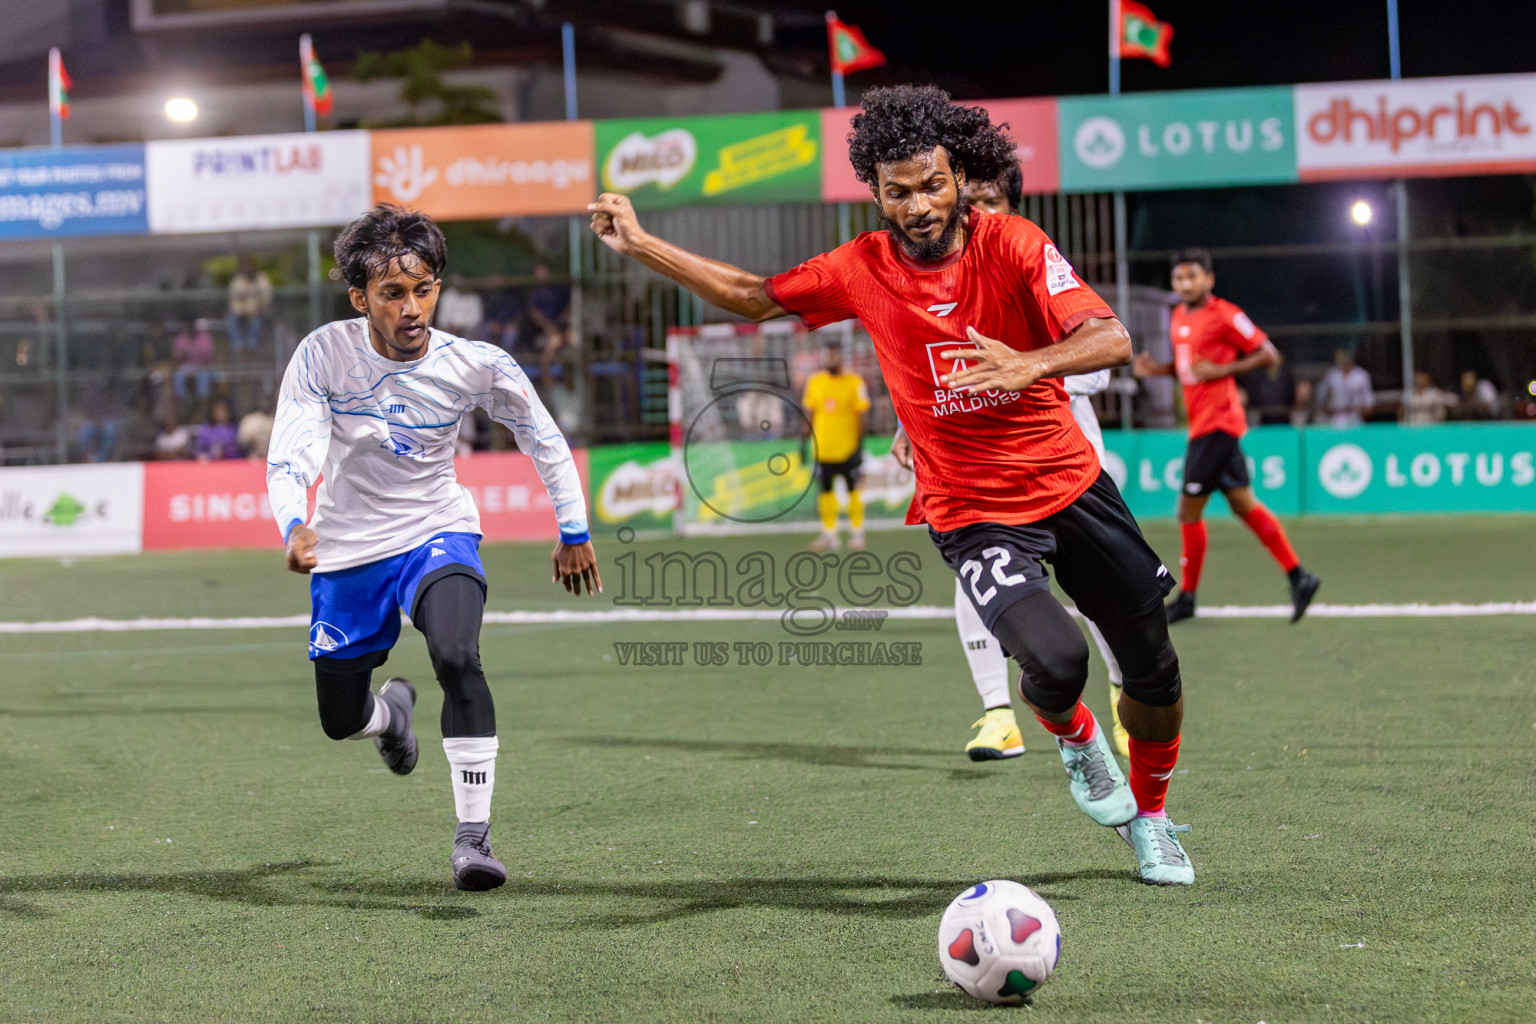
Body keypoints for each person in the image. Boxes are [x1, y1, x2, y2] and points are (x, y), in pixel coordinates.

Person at [591, 84, 1194, 885]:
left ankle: (1152, 821)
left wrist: (1029, 362)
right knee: (1056, 661)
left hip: (1071, 484)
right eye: (899, 190)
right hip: (973, 510)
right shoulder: (858, 267)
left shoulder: (1013, 242)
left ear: (958, 175)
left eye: (933, 184)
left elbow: (1110, 335)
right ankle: (1080, 742)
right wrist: (640, 243)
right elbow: (751, 296)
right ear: (874, 192)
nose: (918, 204)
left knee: (1153, 667)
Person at [266, 204, 600, 891]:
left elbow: (542, 438)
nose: (412, 307)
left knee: (456, 654)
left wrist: (573, 530)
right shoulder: (324, 353)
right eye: (393, 294)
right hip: (347, 550)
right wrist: (292, 524)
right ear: (360, 299)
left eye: (424, 289)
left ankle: (472, 839)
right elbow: (291, 450)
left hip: (435, 532)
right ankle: (391, 715)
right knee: (339, 720)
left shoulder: (476, 364)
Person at [892, 164, 1130, 761]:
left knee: (1097, 589)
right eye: (968, 201)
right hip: (980, 470)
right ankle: (998, 714)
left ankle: (1125, 702)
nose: (977, 212)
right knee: (977, 584)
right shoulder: (936, 284)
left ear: (1012, 205)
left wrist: (1027, 364)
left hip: (1066, 459)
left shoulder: (1034, 265)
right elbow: (930, 371)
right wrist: (909, 422)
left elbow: (1100, 359)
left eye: (990, 200)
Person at [1132, 250, 1321, 626]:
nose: (1185, 284)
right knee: (1243, 505)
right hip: (1204, 424)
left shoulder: (1225, 314)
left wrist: (1223, 369)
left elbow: (1268, 354)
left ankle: (1187, 597)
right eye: (1179, 278)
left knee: (1187, 511)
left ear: (1209, 279)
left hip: (1216, 425)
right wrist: (1159, 369)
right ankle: (1300, 577)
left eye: (1192, 277)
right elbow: (1189, 368)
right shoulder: (1177, 316)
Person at [802, 338, 871, 551]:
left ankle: (857, 532)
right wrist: (802, 442)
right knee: (825, 491)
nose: (829, 359)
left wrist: (860, 445)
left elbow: (863, 414)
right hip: (822, 447)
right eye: (826, 355)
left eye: (833, 354)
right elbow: (810, 412)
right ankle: (829, 533)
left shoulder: (854, 382)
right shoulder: (815, 381)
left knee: (853, 489)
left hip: (848, 447)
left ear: (840, 356)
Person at [226, 256, 273, 358]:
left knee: (256, 321)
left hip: (259, 313)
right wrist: (242, 311)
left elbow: (266, 299)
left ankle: (251, 349)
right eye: (244, 266)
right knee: (231, 320)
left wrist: (254, 310)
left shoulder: (261, 279)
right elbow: (234, 301)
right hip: (241, 314)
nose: (247, 268)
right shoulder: (237, 281)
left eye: (249, 266)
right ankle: (239, 348)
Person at [1315, 348, 1374, 426]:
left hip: (1355, 418)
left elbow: (1369, 403)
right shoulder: (1331, 375)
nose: (1341, 359)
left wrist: (1360, 413)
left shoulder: (1361, 375)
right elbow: (1321, 401)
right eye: (1338, 357)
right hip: (1335, 419)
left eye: (1343, 356)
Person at [172, 320, 216, 405]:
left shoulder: (204, 336)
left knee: (204, 375)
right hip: (188, 366)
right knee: (178, 375)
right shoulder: (182, 337)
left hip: (204, 367)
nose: (190, 329)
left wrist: (200, 366)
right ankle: (182, 401)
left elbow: (208, 357)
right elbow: (176, 357)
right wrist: (182, 354)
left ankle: (203, 402)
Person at [436, 273, 485, 338]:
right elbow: (442, 319)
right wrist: (450, 327)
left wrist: (460, 328)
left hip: (467, 334)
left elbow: (476, 320)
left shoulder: (474, 298)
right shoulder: (447, 295)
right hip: (447, 331)